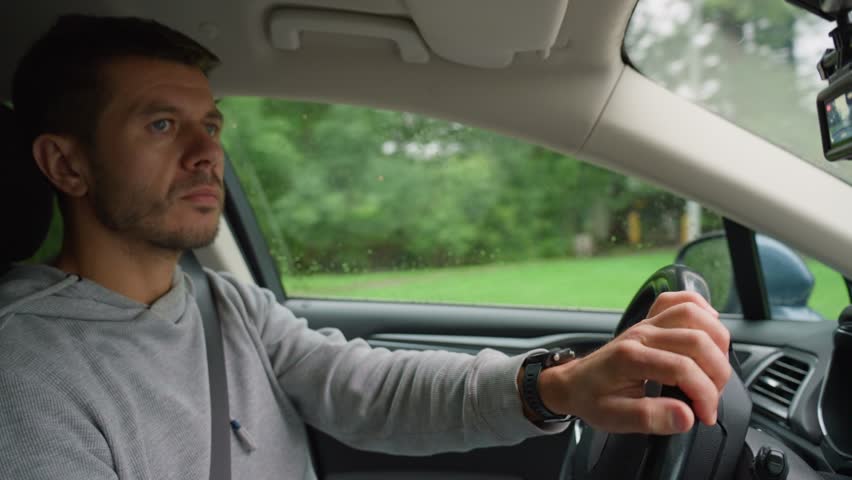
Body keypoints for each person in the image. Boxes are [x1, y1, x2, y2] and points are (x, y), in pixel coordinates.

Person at [0, 15, 731, 479]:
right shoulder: (24, 373)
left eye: (212, 125)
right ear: (67, 165)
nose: (205, 153)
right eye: (161, 125)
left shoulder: (225, 304)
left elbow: (370, 391)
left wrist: (557, 387)